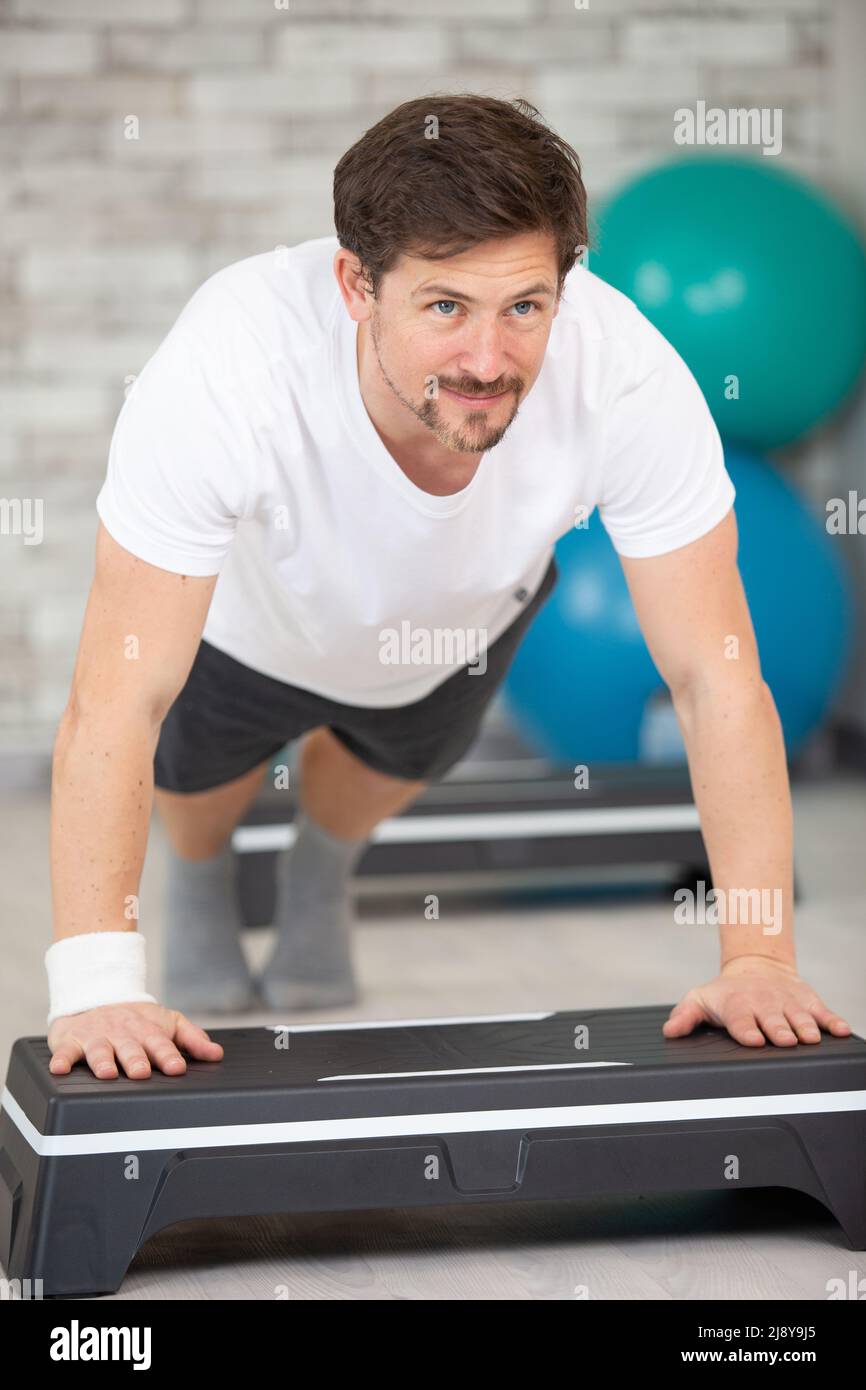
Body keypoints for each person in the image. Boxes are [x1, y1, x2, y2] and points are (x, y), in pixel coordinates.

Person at [46, 94, 851, 1082]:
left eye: (524, 306)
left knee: (379, 769)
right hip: (252, 629)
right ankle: (205, 879)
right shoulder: (228, 365)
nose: (486, 359)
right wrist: (95, 984)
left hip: (458, 624)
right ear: (355, 284)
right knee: (195, 789)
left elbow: (714, 678)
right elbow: (115, 697)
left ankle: (318, 868)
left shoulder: (625, 374)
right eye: (443, 307)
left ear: (565, 282)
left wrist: (758, 957)